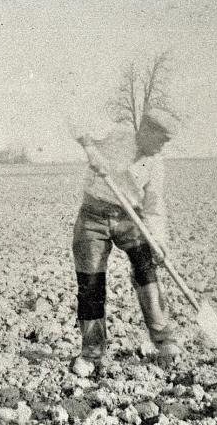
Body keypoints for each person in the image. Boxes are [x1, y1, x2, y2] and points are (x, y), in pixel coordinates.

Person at [71, 108, 181, 377]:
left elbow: (154, 204)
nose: (162, 146)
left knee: (147, 272)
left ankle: (164, 340)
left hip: (131, 218)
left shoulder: (156, 163)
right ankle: (91, 353)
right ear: (144, 130)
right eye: (160, 139)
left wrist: (158, 239)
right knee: (91, 283)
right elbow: (75, 118)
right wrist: (89, 148)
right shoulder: (116, 135)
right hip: (93, 216)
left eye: (167, 141)